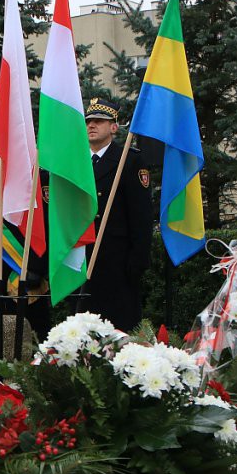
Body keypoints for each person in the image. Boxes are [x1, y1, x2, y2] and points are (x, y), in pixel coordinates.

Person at [79, 98, 153, 332]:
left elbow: (141, 215)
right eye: (89, 121)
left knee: (120, 327)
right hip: (83, 255)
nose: (91, 125)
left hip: (117, 259)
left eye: (99, 121)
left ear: (113, 127)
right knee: (84, 330)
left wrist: (138, 259)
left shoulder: (129, 161)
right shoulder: (77, 163)